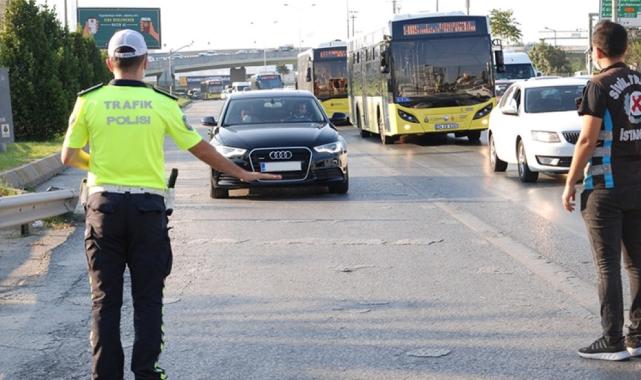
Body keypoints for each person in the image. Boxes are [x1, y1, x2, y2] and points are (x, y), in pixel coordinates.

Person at [61, 29, 279, 379]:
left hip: (104, 210)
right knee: (148, 300)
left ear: (109, 63)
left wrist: (99, 166)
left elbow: (68, 156)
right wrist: (242, 173)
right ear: (146, 63)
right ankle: (146, 373)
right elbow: (200, 148)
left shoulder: (89, 101)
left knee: (105, 302)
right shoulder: (162, 103)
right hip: (148, 211)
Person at [562, 20, 641, 361]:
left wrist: (569, 183)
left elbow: (587, 139)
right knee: (637, 265)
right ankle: (637, 337)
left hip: (605, 189)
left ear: (596, 51)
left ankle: (611, 340)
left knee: (607, 266)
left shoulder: (598, 84)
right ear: (625, 48)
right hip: (638, 186)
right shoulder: (639, 81)